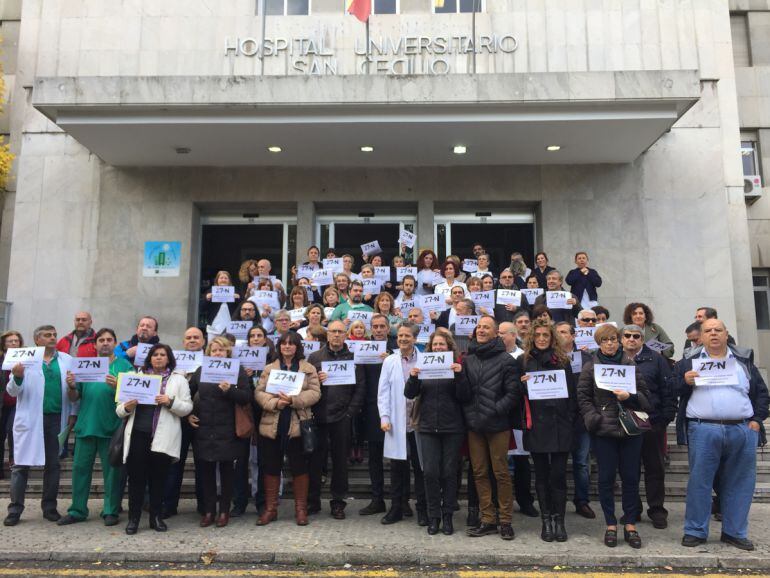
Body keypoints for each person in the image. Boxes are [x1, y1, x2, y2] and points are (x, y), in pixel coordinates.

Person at [674, 318, 768, 551]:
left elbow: (762, 394)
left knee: (740, 483)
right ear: (701, 337)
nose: (713, 334)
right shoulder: (689, 362)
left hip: (741, 429)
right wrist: (684, 382)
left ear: (727, 335)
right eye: (708, 331)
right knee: (700, 483)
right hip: (703, 429)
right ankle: (695, 531)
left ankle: (734, 532)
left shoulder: (742, 361)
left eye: (718, 330)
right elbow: (671, 390)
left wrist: (756, 421)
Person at [577, 324, 650, 549]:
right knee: (606, 479)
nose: (610, 344)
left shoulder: (630, 365)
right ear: (599, 343)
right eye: (605, 340)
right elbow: (583, 397)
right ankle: (610, 524)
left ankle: (630, 523)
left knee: (630, 478)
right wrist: (594, 419)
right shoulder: (590, 367)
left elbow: (646, 397)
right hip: (604, 431)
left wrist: (630, 396)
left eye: (613, 340)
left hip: (630, 431)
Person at [56, 328, 134, 527]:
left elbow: (133, 398)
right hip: (86, 426)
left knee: (112, 473)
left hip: (112, 427)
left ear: (115, 344)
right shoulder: (85, 366)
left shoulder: (125, 365)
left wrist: (118, 386)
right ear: (95, 344)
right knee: (80, 470)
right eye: (101, 340)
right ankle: (77, 510)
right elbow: (75, 397)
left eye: (109, 340)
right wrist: (72, 386)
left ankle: (110, 510)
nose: (105, 343)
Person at [117, 343, 192, 535]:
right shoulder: (136, 378)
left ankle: (156, 517)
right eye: (155, 354)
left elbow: (187, 408)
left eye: (163, 355)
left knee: (159, 480)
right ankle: (134, 519)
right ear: (149, 358)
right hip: (138, 436)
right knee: (136, 480)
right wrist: (128, 407)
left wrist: (170, 402)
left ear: (169, 359)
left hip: (163, 437)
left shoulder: (178, 380)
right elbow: (119, 410)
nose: (159, 358)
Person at [3, 326, 75, 526]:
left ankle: (50, 508)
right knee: (20, 465)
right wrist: (17, 376)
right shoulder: (24, 359)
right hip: (31, 418)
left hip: (56, 419)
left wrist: (73, 410)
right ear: (37, 340)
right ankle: (15, 509)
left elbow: (73, 390)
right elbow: (12, 391)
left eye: (54, 334)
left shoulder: (67, 360)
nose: (52, 338)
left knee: (53, 465)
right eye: (47, 335)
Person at [517, 320, 578, 542]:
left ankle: (559, 521)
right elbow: (515, 394)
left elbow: (572, 396)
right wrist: (522, 385)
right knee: (541, 476)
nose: (542, 338)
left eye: (546, 335)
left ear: (552, 338)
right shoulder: (523, 362)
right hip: (537, 427)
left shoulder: (563, 361)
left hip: (561, 426)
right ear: (532, 337)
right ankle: (546, 522)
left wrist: (570, 421)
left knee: (559, 476)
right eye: (538, 335)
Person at [459, 315, 519, 540]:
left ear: (496, 333)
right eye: (479, 327)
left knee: (501, 472)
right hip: (474, 426)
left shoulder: (506, 360)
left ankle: (505, 520)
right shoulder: (468, 359)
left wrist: (495, 409)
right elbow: (463, 394)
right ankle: (488, 519)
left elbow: (513, 393)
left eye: (486, 327)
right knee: (480, 472)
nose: (481, 330)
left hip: (497, 426)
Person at [255, 331, 321, 526]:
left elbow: (316, 393)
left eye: (291, 344)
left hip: (297, 424)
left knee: (299, 467)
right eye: (283, 343)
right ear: (279, 346)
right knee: (271, 467)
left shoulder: (308, 368)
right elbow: (259, 392)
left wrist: (294, 400)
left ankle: (300, 510)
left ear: (297, 347)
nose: (287, 347)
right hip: (273, 423)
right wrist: (275, 403)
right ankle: (270, 509)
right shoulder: (269, 368)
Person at [405, 330, 467, 535]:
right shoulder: (423, 366)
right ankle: (434, 516)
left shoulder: (457, 367)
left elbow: (464, 396)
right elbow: (409, 393)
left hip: (453, 427)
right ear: (430, 348)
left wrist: (459, 376)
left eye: (442, 344)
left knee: (449, 473)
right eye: (435, 345)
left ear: (449, 347)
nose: (438, 347)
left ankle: (448, 515)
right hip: (428, 426)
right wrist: (413, 377)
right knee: (430, 472)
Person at [188, 336, 251, 528]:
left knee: (226, 473)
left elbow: (247, 397)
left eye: (221, 350)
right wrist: (188, 415)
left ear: (228, 353)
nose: (217, 353)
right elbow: (187, 394)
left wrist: (230, 390)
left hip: (228, 429)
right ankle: (209, 511)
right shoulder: (201, 371)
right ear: (209, 353)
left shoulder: (236, 371)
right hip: (205, 428)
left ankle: (224, 511)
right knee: (206, 471)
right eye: (214, 350)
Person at [307, 320, 366, 519]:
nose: (336, 335)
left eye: (340, 332)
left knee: (340, 462)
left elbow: (360, 389)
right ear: (327, 334)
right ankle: (312, 501)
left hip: (342, 417)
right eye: (333, 331)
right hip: (318, 416)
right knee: (315, 461)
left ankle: (338, 502)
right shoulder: (315, 357)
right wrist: (316, 379)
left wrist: (350, 412)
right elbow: (306, 385)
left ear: (345, 334)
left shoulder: (354, 358)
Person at [620, 324, 676, 529]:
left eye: (636, 336)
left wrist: (664, 419)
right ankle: (632, 509)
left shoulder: (657, 359)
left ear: (642, 339)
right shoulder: (615, 360)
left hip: (651, 423)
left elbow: (667, 390)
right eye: (627, 336)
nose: (632, 339)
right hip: (624, 424)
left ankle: (657, 510)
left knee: (654, 469)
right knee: (628, 470)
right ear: (621, 339)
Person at [378, 322, 427, 526]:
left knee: (421, 468)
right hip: (397, 422)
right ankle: (396, 508)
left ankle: (423, 510)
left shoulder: (425, 360)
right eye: (400, 336)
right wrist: (385, 417)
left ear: (415, 339)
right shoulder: (389, 361)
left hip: (419, 422)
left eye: (407, 336)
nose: (403, 339)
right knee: (397, 468)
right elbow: (383, 392)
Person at [162, 327, 206, 519]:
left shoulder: (211, 362)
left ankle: (205, 506)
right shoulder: (172, 364)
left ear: (203, 341)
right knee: (174, 464)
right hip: (177, 418)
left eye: (196, 337)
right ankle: (169, 505)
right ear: (183, 341)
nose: (192, 340)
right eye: (188, 338)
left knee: (203, 464)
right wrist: (184, 413)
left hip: (203, 420)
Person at [554, 321, 595, 519]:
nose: (560, 335)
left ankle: (582, 501)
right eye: (557, 332)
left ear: (573, 335)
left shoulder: (587, 358)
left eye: (563, 332)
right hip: (558, 419)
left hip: (581, 418)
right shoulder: (549, 357)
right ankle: (555, 501)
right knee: (557, 463)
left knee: (581, 463)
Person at [497, 322, 538, 518]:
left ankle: (525, 500)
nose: (499, 336)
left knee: (521, 460)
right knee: (499, 460)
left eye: (503, 333)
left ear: (513, 335)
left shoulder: (524, 358)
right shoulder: (494, 355)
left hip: (519, 414)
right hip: (498, 414)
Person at [358, 314, 394, 516]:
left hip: (396, 407)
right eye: (375, 326)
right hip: (372, 409)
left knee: (399, 456)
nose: (379, 329)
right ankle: (377, 499)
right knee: (374, 457)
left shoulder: (396, 348)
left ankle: (401, 500)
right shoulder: (364, 348)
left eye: (382, 326)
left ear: (388, 328)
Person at [0, 330, 22, 479]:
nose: (14, 343)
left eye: (16, 341)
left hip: (17, 403)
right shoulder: (1, 360)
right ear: (4, 344)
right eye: (10, 341)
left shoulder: (25, 359)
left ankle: (14, 460)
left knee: (12, 429)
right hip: (2, 403)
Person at [202, 271, 241, 341]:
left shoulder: (235, 291)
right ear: (217, 280)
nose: (223, 280)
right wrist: (207, 298)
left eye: (226, 278)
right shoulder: (210, 291)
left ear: (229, 281)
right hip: (214, 326)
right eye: (221, 278)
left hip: (231, 325)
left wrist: (238, 298)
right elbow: (202, 308)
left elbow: (241, 308)